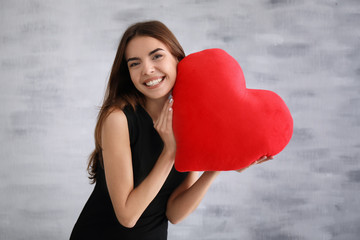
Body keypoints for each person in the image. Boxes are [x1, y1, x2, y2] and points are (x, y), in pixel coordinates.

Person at [70, 20, 272, 240]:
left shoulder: (189, 120)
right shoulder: (118, 119)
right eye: (134, 63)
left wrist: (218, 165)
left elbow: (174, 213)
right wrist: (169, 152)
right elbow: (127, 216)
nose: (147, 69)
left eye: (157, 56)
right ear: (127, 73)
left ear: (177, 58)